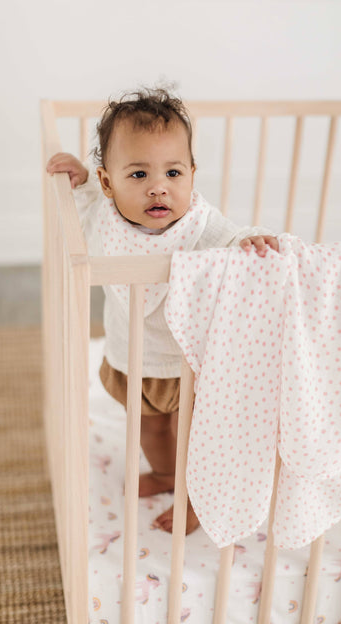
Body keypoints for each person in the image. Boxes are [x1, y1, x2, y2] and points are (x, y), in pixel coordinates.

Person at [46, 87, 279, 535]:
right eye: (138, 174)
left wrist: (252, 240)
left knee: (195, 442)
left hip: (187, 365)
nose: (159, 186)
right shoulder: (103, 212)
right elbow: (79, 200)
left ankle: (197, 499)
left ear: (192, 175)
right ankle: (165, 474)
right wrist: (75, 177)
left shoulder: (199, 226)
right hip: (132, 359)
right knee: (151, 433)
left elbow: (233, 237)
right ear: (109, 182)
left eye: (173, 172)